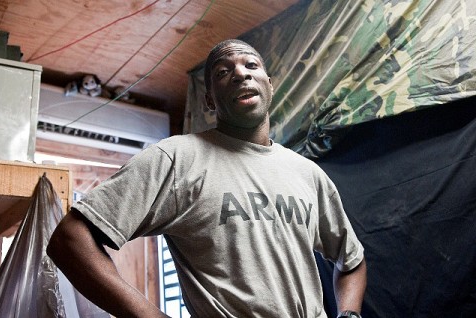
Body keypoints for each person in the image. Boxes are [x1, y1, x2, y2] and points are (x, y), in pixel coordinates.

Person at [47, 39, 367, 318]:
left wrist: (349, 313)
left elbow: (352, 260)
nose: (241, 73)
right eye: (223, 72)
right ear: (210, 100)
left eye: (250, 65)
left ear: (269, 84)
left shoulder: (307, 174)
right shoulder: (178, 159)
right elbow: (69, 240)